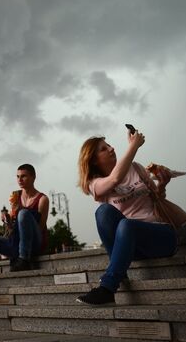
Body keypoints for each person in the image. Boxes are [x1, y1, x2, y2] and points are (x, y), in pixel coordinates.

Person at [76, 131, 180, 305]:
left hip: (161, 236)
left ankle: (107, 287)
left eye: (109, 145)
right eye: (104, 149)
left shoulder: (136, 168)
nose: (111, 148)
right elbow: (115, 179)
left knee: (126, 225)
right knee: (103, 212)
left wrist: (162, 184)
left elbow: (158, 199)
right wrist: (134, 145)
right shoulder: (95, 183)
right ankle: (117, 272)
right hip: (132, 243)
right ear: (94, 160)